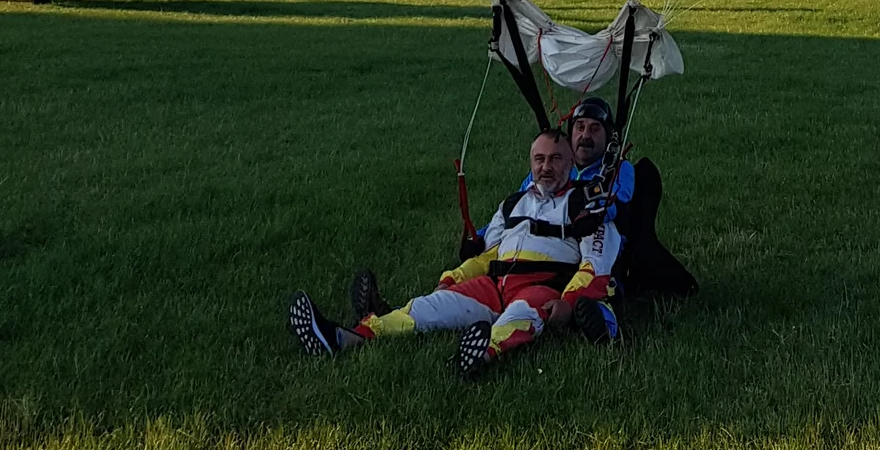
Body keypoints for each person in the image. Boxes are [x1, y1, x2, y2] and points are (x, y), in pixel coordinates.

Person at [289, 126, 617, 379]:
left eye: (556, 159)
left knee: (521, 318)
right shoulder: (513, 204)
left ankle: (482, 352)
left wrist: (568, 303)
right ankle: (347, 337)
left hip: (540, 287)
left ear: (572, 162)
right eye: (539, 159)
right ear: (530, 162)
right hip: (493, 285)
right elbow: (490, 254)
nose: (546, 167)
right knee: (425, 308)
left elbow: (596, 265)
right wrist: (454, 278)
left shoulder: (587, 206)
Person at [564, 93, 696, 305]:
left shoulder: (619, 169)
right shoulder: (556, 166)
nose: (585, 135)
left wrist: (594, 216)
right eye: (580, 127)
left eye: (594, 129)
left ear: (608, 137)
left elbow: (619, 201)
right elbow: (521, 202)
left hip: (601, 240)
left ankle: (598, 305)